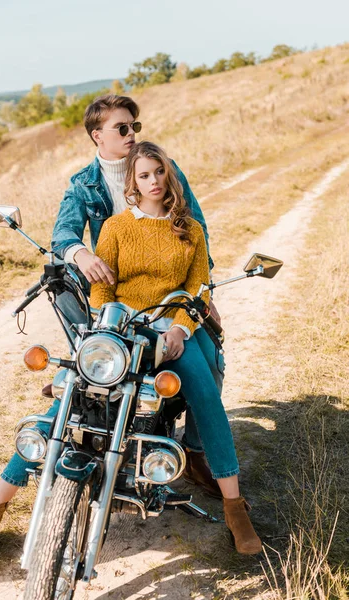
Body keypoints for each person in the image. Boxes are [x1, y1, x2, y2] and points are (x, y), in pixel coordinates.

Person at [0, 95, 223, 564]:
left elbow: (197, 226)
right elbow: (64, 234)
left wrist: (202, 298)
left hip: (169, 304)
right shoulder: (84, 182)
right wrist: (80, 254)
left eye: (134, 126)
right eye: (122, 128)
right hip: (111, 311)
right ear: (97, 136)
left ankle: (198, 452)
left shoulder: (161, 168)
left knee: (209, 364)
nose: (131, 135)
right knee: (77, 395)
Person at [89, 141, 262, 554]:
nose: (153, 181)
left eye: (159, 173)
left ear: (170, 175)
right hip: (129, 328)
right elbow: (101, 289)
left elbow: (197, 289)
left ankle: (234, 506)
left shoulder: (191, 229)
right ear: (132, 181)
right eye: (143, 175)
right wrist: (110, 327)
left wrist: (180, 330)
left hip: (177, 328)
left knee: (207, 397)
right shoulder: (115, 228)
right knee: (75, 393)